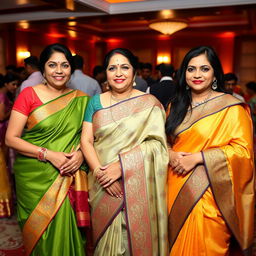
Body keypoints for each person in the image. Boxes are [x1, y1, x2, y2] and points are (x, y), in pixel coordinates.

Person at [166, 46, 255, 255]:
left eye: (204, 69)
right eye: (191, 69)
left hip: (211, 192)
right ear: (183, 74)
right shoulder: (175, 105)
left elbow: (243, 152)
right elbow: (163, 142)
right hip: (173, 187)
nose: (197, 75)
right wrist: (169, 154)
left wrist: (199, 158)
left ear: (215, 73)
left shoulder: (231, 108)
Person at [81, 48, 168, 256]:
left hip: (137, 183)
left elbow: (158, 146)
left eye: (124, 67)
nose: (118, 73)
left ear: (134, 72)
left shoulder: (149, 104)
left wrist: (122, 166)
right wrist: (102, 174)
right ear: (106, 73)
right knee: (104, 244)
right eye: (112, 68)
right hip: (102, 183)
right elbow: (86, 140)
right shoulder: (95, 102)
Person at [5, 43, 90, 256]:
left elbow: (90, 138)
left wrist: (80, 155)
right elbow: (11, 138)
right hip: (35, 176)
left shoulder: (81, 99)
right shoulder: (28, 95)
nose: (59, 71)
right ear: (43, 69)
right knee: (40, 237)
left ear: (71, 69)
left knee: (68, 231)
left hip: (68, 175)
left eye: (64, 65)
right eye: (52, 65)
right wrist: (49, 154)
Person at [0, 73, 18, 218]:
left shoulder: (5, 96)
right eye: (13, 84)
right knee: (3, 165)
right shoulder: (1, 96)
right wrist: (13, 109)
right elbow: (1, 117)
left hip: (5, 129)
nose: (15, 87)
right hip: (2, 130)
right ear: (5, 84)